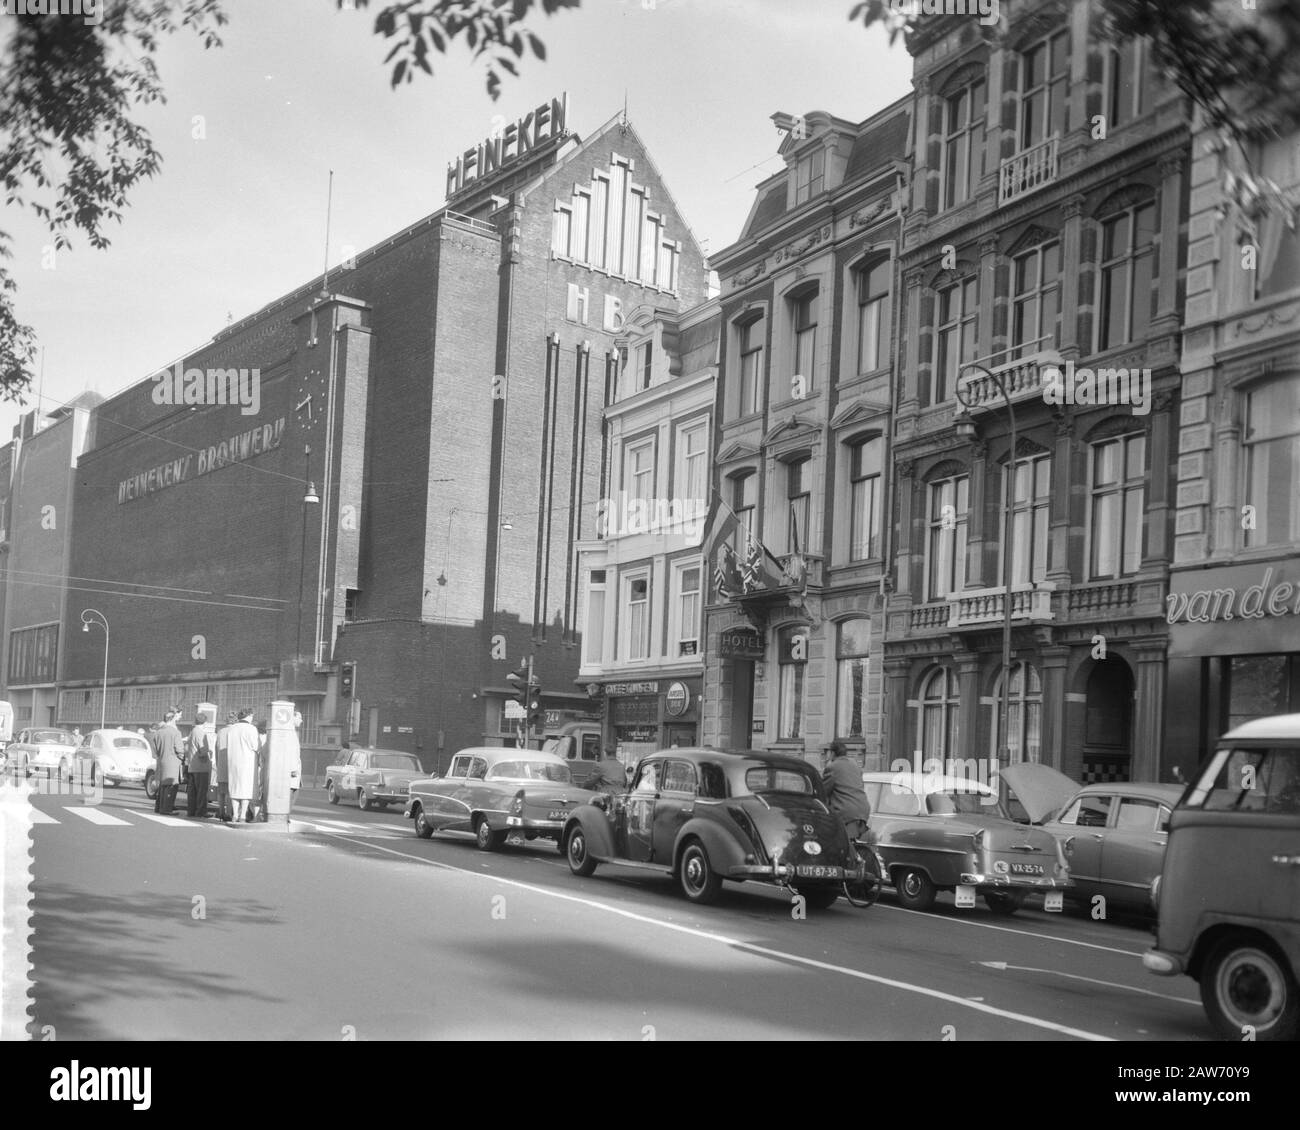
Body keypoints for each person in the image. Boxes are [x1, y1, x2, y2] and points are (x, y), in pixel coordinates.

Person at [822, 739, 872, 842]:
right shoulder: (854, 765)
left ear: (832, 753)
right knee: (850, 844)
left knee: (836, 843)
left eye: (829, 752)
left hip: (847, 813)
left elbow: (823, 792)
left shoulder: (832, 767)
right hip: (863, 810)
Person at [226, 709, 260, 824]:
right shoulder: (251, 729)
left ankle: (235, 815)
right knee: (246, 789)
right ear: (249, 716)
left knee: (235, 788)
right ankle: (243, 816)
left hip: (233, 761)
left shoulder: (232, 728)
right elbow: (255, 746)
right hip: (247, 762)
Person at [152, 711, 185, 816]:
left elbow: (155, 750)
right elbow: (180, 749)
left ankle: (159, 807)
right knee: (171, 785)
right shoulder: (175, 733)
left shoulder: (157, 733)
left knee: (163, 785)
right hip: (173, 761)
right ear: (172, 719)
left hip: (161, 760)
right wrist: (181, 758)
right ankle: (167, 809)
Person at [185, 707, 216, 818]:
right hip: (201, 766)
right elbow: (203, 751)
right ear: (205, 722)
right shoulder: (200, 733)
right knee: (202, 791)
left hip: (192, 766)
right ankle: (201, 812)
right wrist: (209, 752)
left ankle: (191, 811)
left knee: (192, 791)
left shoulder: (192, 731)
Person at [214, 712, 235, 822]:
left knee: (221, 791)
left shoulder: (220, 732)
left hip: (221, 764)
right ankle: (229, 812)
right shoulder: (235, 731)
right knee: (230, 792)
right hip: (232, 765)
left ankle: (221, 811)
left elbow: (216, 748)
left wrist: (217, 763)